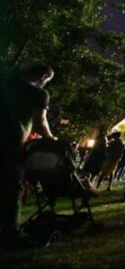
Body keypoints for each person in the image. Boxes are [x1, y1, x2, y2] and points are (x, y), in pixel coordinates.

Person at [0, 64, 54, 246]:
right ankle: (10, 234)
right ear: (44, 77)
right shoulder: (39, 94)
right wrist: (52, 139)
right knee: (11, 189)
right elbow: (40, 122)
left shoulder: (7, 84)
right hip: (10, 145)